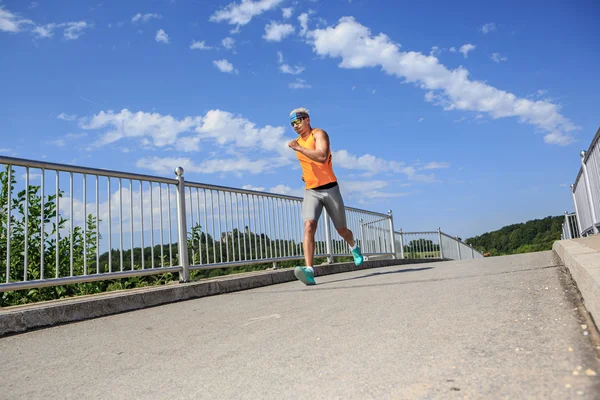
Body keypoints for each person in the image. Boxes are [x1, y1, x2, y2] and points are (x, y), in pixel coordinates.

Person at [287, 107, 363, 285]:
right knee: (309, 226)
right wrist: (306, 176)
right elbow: (309, 165)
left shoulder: (318, 134)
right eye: (292, 124)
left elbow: (322, 156)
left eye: (297, 121)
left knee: (341, 230)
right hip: (311, 190)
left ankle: (354, 246)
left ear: (307, 119)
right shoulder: (298, 142)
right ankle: (309, 271)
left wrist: (298, 148)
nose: (295, 126)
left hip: (330, 189)